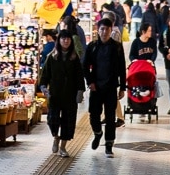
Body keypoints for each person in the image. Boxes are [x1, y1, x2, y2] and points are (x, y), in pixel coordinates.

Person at [39, 29, 86, 158]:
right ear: (59, 41)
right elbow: (45, 76)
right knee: (52, 120)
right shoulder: (51, 57)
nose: (66, 41)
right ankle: (56, 137)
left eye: (68, 39)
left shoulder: (74, 57)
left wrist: (80, 91)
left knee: (68, 121)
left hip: (70, 95)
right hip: (55, 94)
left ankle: (63, 147)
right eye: (63, 38)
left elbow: (79, 76)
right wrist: (43, 87)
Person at [83, 18, 127, 158]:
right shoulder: (92, 46)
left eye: (107, 29)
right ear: (98, 30)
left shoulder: (117, 47)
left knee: (110, 117)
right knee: (93, 115)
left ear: (111, 30)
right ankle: (97, 133)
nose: (104, 32)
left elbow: (122, 68)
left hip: (111, 87)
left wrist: (122, 88)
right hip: (96, 87)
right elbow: (85, 66)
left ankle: (109, 145)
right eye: (102, 29)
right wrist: (90, 82)